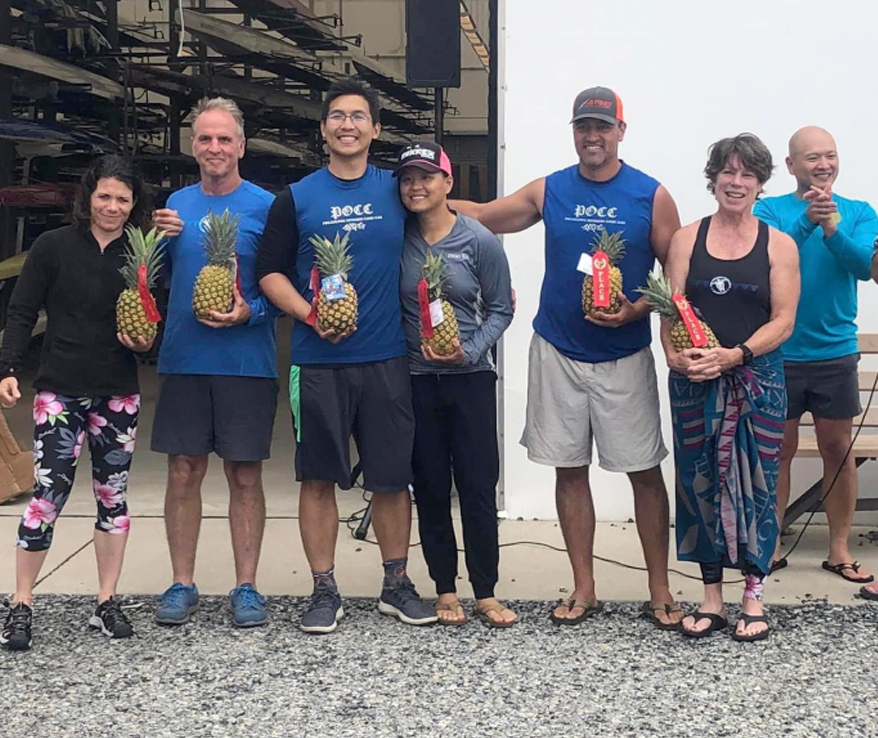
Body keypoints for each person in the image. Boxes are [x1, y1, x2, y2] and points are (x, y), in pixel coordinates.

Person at [450, 86, 684, 628]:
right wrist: (427, 201)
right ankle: (584, 587)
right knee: (569, 469)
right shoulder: (550, 188)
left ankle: (660, 587)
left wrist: (636, 311)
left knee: (644, 471)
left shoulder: (651, 195)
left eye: (603, 126)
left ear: (621, 131)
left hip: (624, 353)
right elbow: (487, 216)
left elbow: (676, 273)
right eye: (584, 126)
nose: (593, 135)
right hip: (557, 348)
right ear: (574, 131)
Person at [256, 80, 436, 633]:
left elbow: (448, 217)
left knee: (390, 477)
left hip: (387, 358)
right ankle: (324, 589)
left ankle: (395, 582)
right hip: (317, 362)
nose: (347, 124)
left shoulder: (396, 189)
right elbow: (269, 272)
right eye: (337, 116)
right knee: (317, 478)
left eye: (359, 116)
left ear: (375, 129)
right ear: (324, 129)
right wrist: (312, 315)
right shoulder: (298, 197)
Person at [0, 155, 155, 650]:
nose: (112, 206)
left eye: (123, 199)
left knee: (113, 497)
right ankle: (21, 601)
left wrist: (146, 341)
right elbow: (22, 310)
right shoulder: (52, 247)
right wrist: (7, 366)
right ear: (88, 197)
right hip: (58, 390)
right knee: (47, 496)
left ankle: (105, 600)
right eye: (105, 196)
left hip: (117, 391)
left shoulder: (141, 257)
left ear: (134, 207)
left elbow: (157, 317)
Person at [662, 134, 799, 641]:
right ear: (713, 177)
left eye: (747, 174)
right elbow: (670, 310)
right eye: (728, 172)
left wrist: (735, 355)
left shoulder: (777, 245)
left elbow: (783, 321)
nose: (736, 182)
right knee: (700, 484)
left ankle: (754, 597)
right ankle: (712, 597)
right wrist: (676, 356)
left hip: (756, 382)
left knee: (757, 484)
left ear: (761, 183)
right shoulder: (686, 239)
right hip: (695, 383)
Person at [151, 97, 279, 628]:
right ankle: (182, 581)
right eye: (205, 138)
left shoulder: (269, 207)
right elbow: (148, 279)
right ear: (193, 146)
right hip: (184, 357)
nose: (215, 148)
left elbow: (290, 287)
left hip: (247, 359)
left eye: (224, 139)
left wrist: (253, 311)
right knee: (183, 471)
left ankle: (246, 585)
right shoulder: (175, 207)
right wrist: (155, 243)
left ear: (241, 146)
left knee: (244, 474)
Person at [396, 142, 516, 627]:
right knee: (428, 486)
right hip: (416, 380)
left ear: (448, 183)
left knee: (477, 485)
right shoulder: (396, 238)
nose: (417, 186)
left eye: (427, 177)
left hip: (470, 379)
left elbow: (503, 307)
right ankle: (444, 589)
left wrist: (469, 349)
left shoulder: (478, 240)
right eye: (407, 179)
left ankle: (485, 589)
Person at [754, 127, 878, 590]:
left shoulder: (861, 212)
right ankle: (769, 547)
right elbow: (764, 254)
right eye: (811, 157)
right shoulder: (769, 209)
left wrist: (831, 227)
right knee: (777, 451)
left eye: (829, 155)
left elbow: (865, 266)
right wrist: (808, 220)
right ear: (791, 166)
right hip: (778, 352)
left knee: (837, 451)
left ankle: (839, 549)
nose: (822, 164)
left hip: (834, 354)